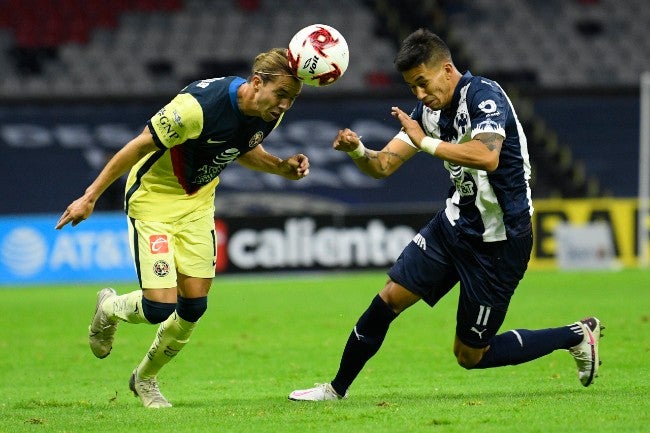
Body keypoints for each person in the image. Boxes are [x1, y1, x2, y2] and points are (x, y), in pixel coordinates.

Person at [288, 29, 603, 402]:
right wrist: (358, 151)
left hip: (499, 242)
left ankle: (576, 335)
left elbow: (488, 156)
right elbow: (384, 165)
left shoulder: (485, 96)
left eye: (423, 83)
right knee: (388, 298)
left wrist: (425, 142)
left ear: (447, 70)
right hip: (453, 227)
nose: (419, 95)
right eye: (411, 88)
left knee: (470, 355)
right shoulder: (428, 112)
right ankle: (334, 390)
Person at [56, 48, 309, 408]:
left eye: (292, 99)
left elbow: (242, 147)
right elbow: (137, 146)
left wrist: (281, 168)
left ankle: (145, 379)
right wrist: (90, 197)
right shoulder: (196, 107)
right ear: (256, 82)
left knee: (193, 307)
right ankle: (109, 308)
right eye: (281, 95)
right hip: (154, 201)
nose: (285, 105)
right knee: (159, 306)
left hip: (197, 205)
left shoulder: (269, 113)